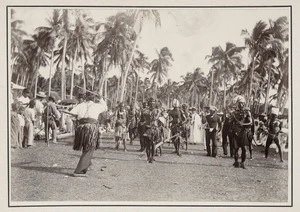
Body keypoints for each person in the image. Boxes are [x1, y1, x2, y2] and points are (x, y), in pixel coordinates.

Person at [70, 93, 107, 177]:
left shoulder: (80, 105)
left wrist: (79, 117)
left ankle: (87, 163)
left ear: (86, 98)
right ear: (94, 99)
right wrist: (101, 99)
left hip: (81, 128)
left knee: (86, 147)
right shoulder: (97, 105)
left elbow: (72, 113)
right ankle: (79, 170)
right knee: (89, 148)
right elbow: (105, 108)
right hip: (91, 128)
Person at [230, 96, 252, 169]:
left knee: (244, 149)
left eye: (242, 103)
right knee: (235, 148)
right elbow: (230, 122)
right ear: (237, 104)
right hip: (236, 132)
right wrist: (230, 118)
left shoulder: (247, 112)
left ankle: (243, 163)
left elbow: (250, 122)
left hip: (243, 132)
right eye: (239, 103)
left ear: (244, 103)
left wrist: (243, 124)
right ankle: (236, 162)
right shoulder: (234, 112)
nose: (241, 105)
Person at [142, 98, 160, 163]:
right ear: (149, 103)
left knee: (153, 143)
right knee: (147, 144)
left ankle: (152, 157)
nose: (152, 103)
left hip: (154, 127)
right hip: (147, 127)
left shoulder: (157, 110)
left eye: (153, 102)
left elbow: (156, 117)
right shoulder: (145, 110)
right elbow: (144, 117)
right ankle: (148, 157)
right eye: (151, 102)